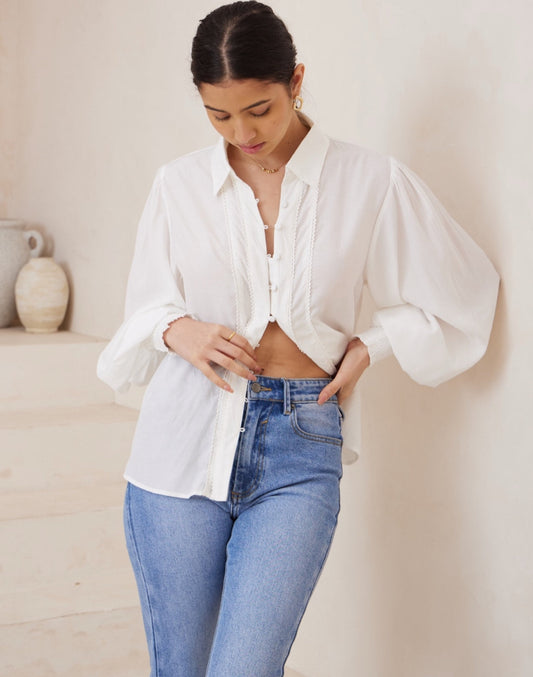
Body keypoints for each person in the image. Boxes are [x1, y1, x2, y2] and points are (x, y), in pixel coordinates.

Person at [97, 2, 500, 675]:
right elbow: (143, 310)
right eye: (218, 115)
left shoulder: (369, 180)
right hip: (182, 443)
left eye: (259, 109)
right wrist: (176, 327)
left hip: (300, 441)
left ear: (296, 81)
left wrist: (374, 342)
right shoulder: (178, 186)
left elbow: (465, 292)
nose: (242, 132)